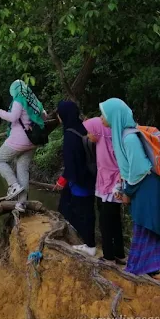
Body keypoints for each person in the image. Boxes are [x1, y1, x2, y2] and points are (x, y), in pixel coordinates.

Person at [100, 98, 160, 276]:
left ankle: (139, 269)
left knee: (145, 224)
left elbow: (140, 169)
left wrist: (127, 191)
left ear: (115, 116)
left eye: (104, 114)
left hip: (148, 187)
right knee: (144, 225)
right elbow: (129, 169)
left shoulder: (129, 138)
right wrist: (122, 187)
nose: (101, 118)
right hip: (144, 186)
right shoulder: (125, 135)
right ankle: (148, 268)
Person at [0, 80, 46, 213]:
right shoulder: (34, 100)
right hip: (32, 140)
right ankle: (22, 203)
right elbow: (44, 116)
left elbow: (13, 117)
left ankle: (13, 185)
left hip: (19, 138)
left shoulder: (19, 98)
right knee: (22, 167)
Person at [56, 100, 97, 256]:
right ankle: (86, 240)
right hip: (91, 176)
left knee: (81, 211)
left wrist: (63, 179)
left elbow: (71, 161)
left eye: (59, 115)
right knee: (72, 207)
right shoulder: (83, 127)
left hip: (79, 179)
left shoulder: (70, 134)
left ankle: (90, 245)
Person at [83, 117, 126, 265]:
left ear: (98, 131)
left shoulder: (106, 141)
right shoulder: (108, 140)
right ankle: (119, 253)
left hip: (112, 184)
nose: (88, 135)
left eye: (90, 132)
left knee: (105, 221)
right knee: (114, 219)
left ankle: (108, 257)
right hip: (105, 183)